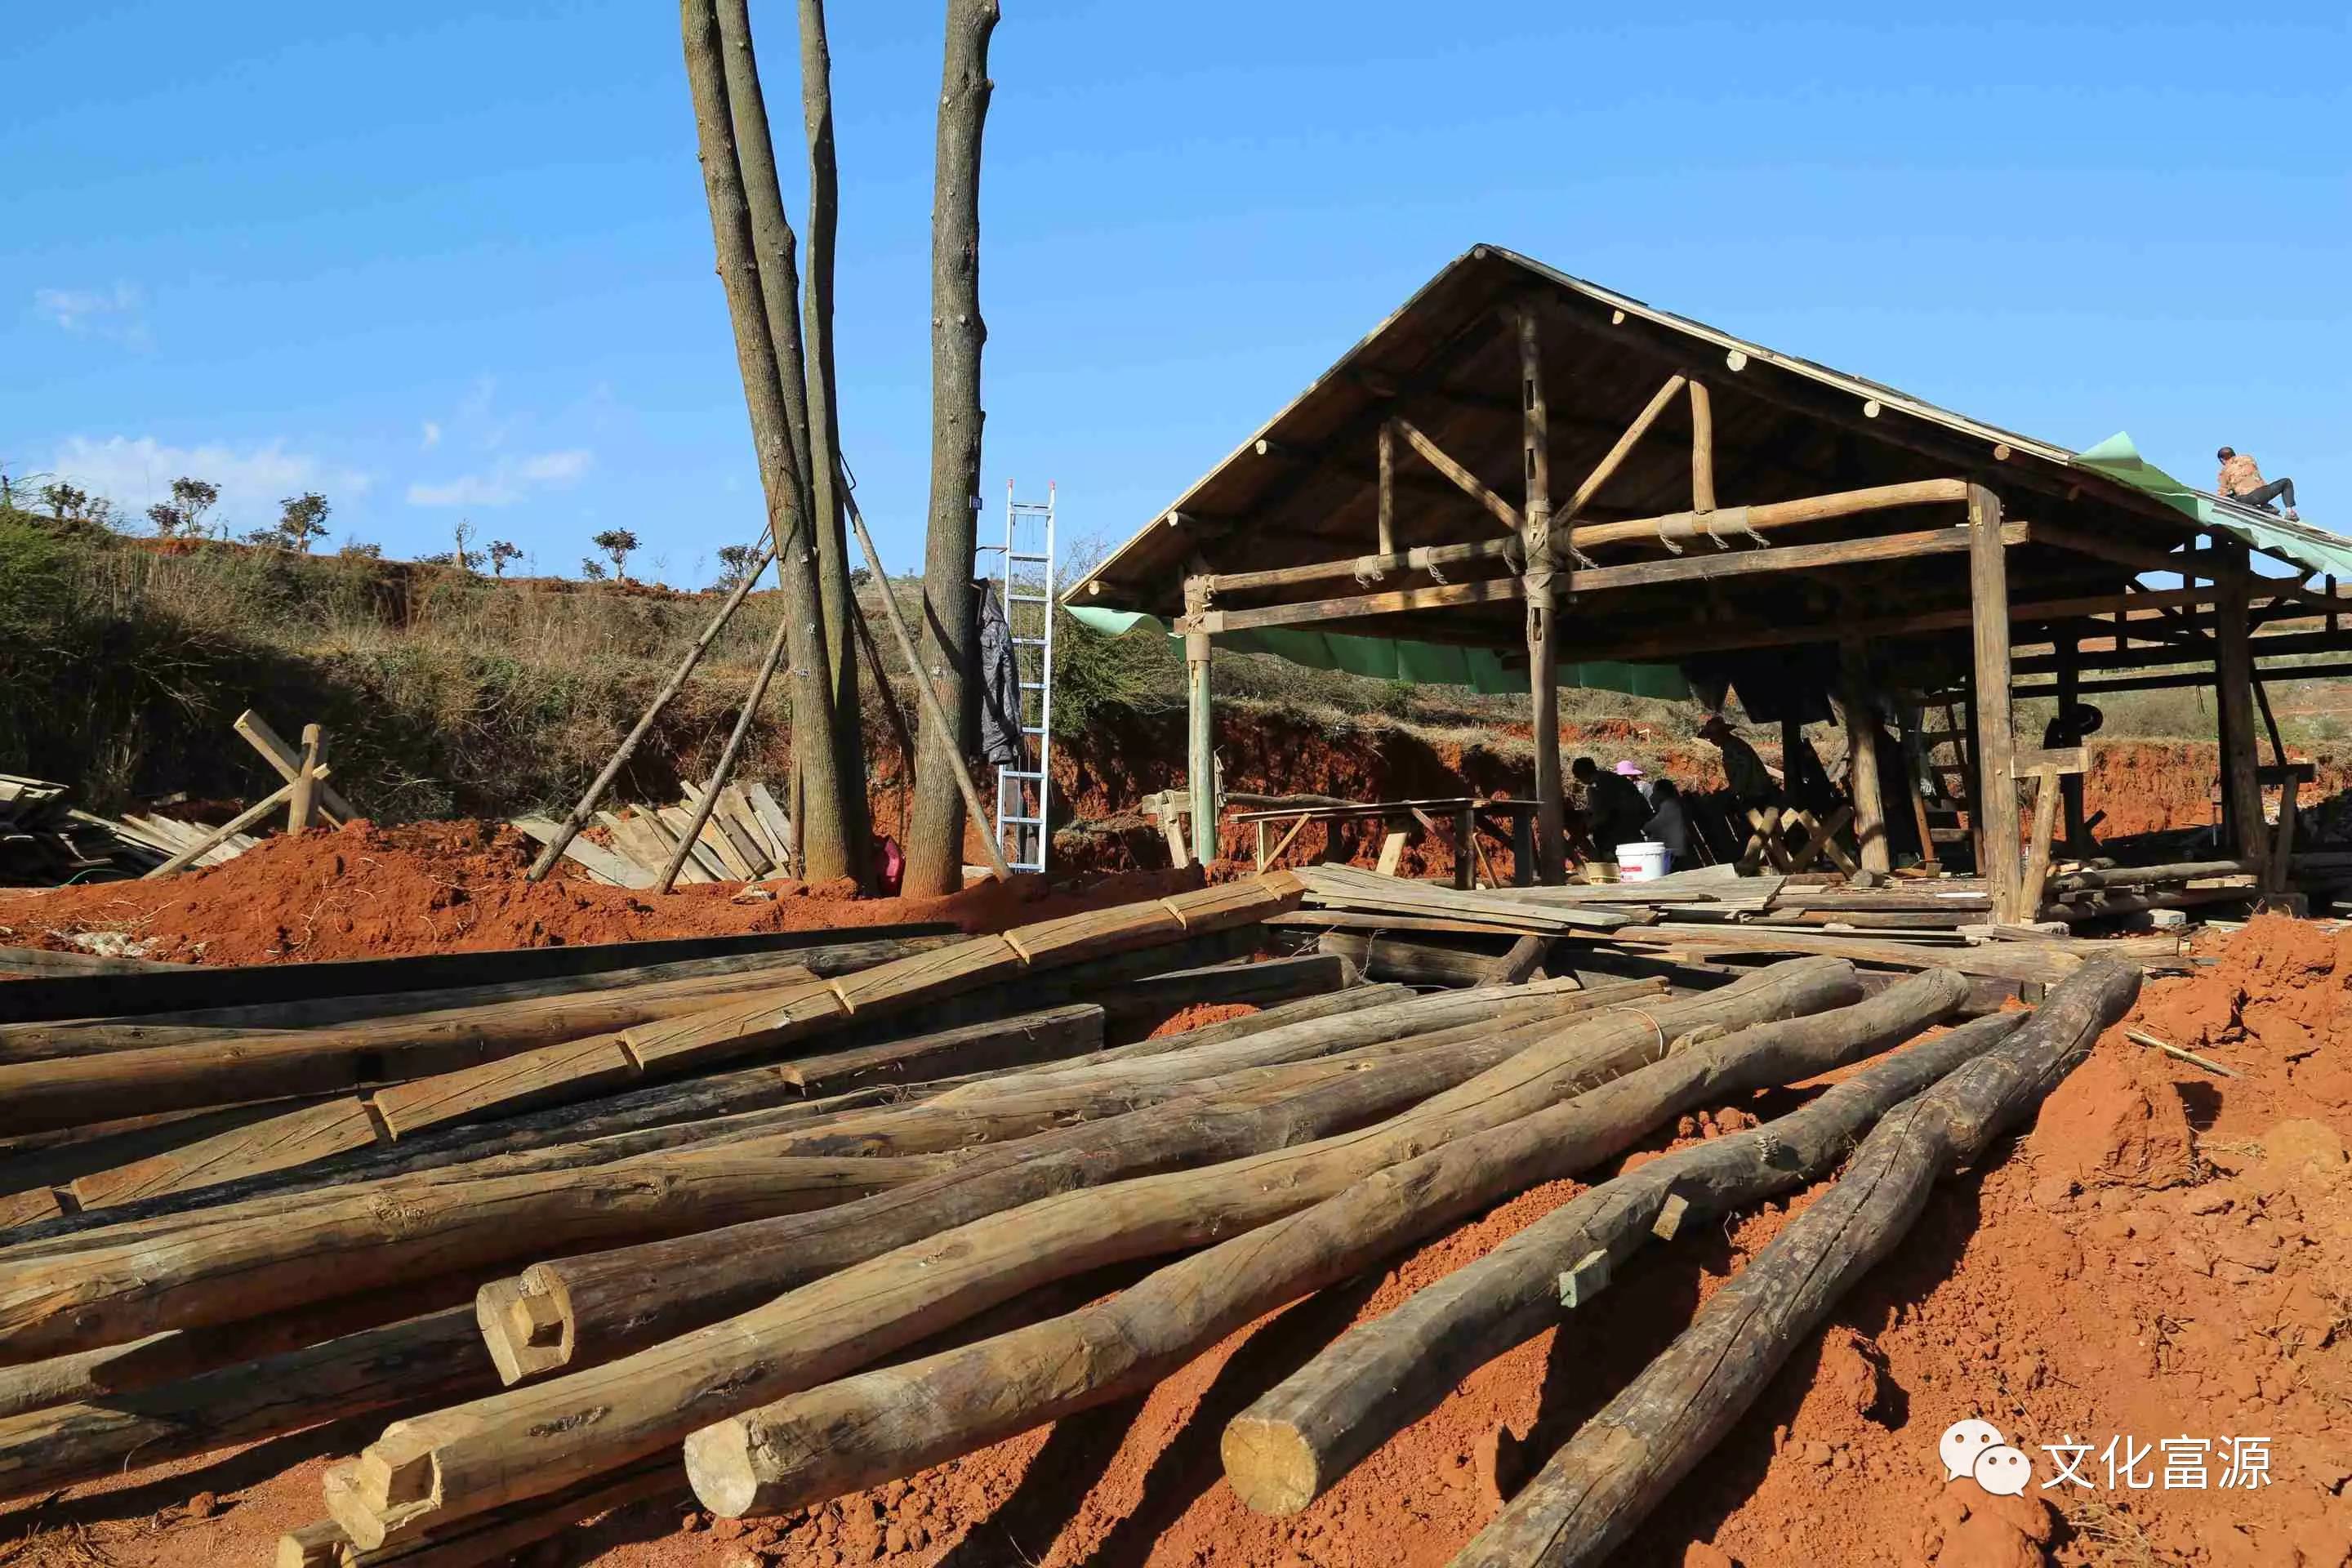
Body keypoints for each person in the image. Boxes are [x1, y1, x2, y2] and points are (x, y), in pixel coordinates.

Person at [1571, 755, 1650, 853]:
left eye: (1579, 778)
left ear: (1582, 775)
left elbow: (1603, 815)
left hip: (1618, 840)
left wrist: (1586, 828)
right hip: (1634, 834)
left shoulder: (1599, 787)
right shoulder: (1616, 779)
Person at [1698, 713, 1776, 806]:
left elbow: (1745, 769)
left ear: (1722, 734)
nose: (1712, 741)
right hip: (1752, 791)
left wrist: (1732, 792)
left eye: (1713, 737)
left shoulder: (1735, 747)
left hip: (1756, 792)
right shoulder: (1730, 746)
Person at [2216, 447, 2300, 521]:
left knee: (2231, 495)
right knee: (2286, 482)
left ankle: (2264, 507)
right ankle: (2289, 511)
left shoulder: (2224, 472)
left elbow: (2222, 494)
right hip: (2264, 493)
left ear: (2222, 459)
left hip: (2246, 499)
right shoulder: (2248, 458)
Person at [1640, 777, 1690, 867]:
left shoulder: (1669, 806)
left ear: (1662, 792)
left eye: (1655, 792)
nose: (1652, 795)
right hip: (1672, 851)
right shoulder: (1674, 804)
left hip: (1672, 853)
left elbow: (1651, 827)